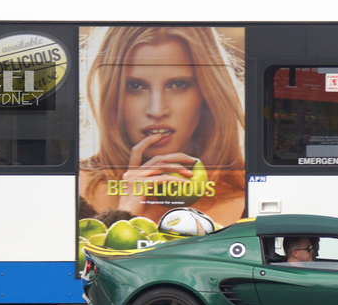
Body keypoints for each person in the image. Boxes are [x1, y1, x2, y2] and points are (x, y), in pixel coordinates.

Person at [79, 27, 245, 227]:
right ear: (111, 94)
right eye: (135, 86)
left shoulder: (250, 194)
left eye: (178, 85)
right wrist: (123, 214)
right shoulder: (76, 187)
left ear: (207, 92)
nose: (157, 110)